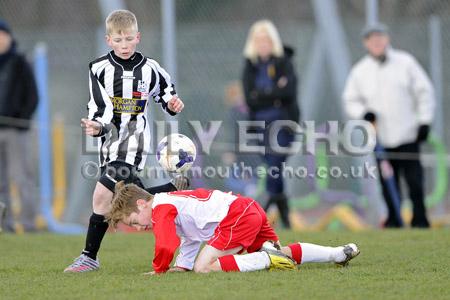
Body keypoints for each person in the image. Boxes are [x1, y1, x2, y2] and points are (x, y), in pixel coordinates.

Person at [64, 10, 187, 273]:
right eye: (118, 41)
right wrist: (96, 126)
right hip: (109, 143)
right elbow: (99, 107)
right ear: (109, 40)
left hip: (134, 141)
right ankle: (172, 188)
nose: (124, 45)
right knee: (128, 197)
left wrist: (174, 104)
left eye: (129, 39)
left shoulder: (150, 68)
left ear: (137, 37)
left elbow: (167, 95)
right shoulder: (98, 68)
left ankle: (89, 257)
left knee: (101, 196)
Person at [105, 182, 360, 274]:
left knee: (204, 267)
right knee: (284, 254)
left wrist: (159, 270)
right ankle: (336, 253)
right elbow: (190, 239)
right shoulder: (168, 203)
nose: (138, 228)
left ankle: (264, 259)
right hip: (248, 209)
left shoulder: (161, 208)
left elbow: (165, 244)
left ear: (142, 203)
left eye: (133, 221)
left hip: (236, 216)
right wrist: (181, 267)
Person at [343, 23, 435, 228]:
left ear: (387, 39)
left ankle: (420, 220)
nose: (376, 42)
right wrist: (363, 113)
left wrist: (424, 121)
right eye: (371, 39)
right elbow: (350, 100)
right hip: (381, 140)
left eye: (380, 37)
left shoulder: (406, 63)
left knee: (415, 182)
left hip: (408, 135)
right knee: (387, 182)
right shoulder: (360, 71)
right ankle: (394, 219)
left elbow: (424, 92)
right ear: (366, 43)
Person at [242, 20, 299, 229]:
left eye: (266, 40)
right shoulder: (250, 66)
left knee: (275, 165)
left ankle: (260, 215)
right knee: (274, 167)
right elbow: (250, 99)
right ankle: (284, 212)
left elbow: (289, 93)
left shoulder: (285, 62)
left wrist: (263, 95)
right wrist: (274, 94)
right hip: (259, 126)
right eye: (258, 40)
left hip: (283, 125)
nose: (262, 44)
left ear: (272, 41)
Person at [0, 20, 39, 232]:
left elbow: (33, 96)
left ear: (8, 36)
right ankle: (5, 225)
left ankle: (28, 224)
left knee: (21, 178)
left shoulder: (20, 63)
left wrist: (20, 120)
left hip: (16, 131)